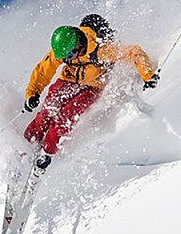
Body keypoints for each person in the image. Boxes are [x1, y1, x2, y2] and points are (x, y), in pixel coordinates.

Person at [23, 14, 159, 170]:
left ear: (78, 45)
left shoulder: (101, 50)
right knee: (48, 109)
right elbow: (43, 70)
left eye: (71, 55)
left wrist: (148, 76)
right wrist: (32, 94)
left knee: (65, 118)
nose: (68, 59)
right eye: (65, 58)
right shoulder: (64, 48)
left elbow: (134, 52)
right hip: (67, 80)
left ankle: (47, 152)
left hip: (92, 87)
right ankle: (27, 145)